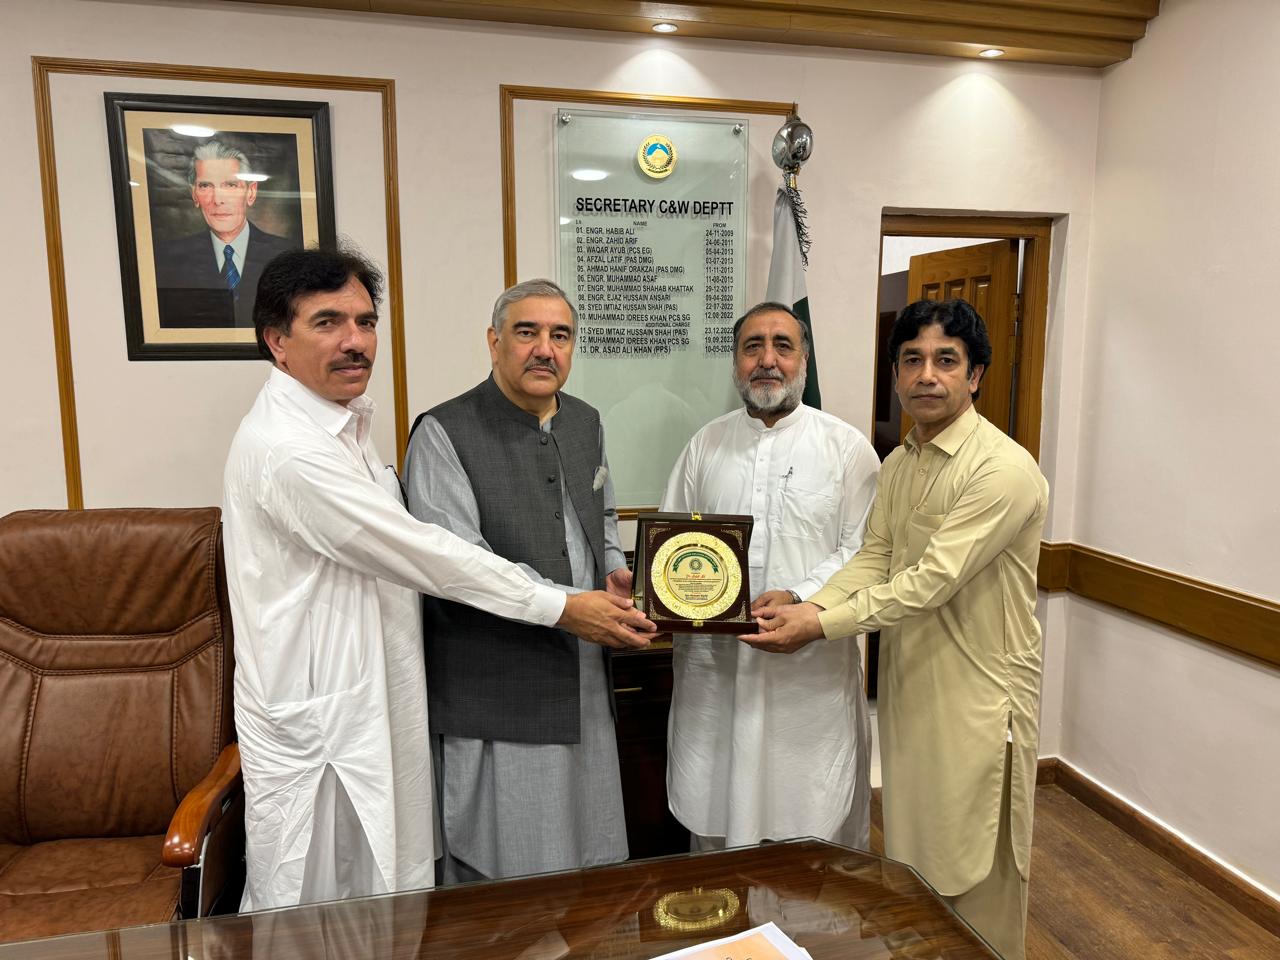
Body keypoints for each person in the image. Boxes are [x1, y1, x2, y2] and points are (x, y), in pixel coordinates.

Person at [222, 251, 653, 912]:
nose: (354, 340)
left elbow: (596, 523)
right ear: (277, 342)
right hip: (330, 724)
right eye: (327, 322)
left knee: (382, 907)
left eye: (365, 322)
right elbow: (434, 555)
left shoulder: (345, 428)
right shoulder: (293, 450)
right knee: (313, 913)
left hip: (382, 707)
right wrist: (564, 605)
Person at [747, 298, 1048, 960]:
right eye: (912, 360)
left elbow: (928, 583)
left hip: (977, 698)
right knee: (917, 862)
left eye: (946, 361)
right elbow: (876, 558)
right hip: (914, 685)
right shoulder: (905, 459)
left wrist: (818, 623)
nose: (926, 376)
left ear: (975, 377)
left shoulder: (1002, 470)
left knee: (974, 867)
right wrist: (804, 600)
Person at [403, 279, 635, 884]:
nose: (544, 349)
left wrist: (613, 571)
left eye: (560, 335)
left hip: (582, 680)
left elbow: (603, 517)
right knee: (509, 885)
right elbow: (457, 565)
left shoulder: (586, 422)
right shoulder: (443, 432)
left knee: (588, 869)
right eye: (526, 332)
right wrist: (567, 606)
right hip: (497, 691)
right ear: (494, 342)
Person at [659, 302, 880, 850]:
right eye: (752, 346)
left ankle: (802, 938)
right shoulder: (703, 446)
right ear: (736, 362)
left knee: (808, 838)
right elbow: (672, 545)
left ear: (804, 359)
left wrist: (802, 595)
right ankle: (726, 929)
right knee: (716, 815)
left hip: (807, 677)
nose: (767, 361)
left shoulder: (848, 449)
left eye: (783, 346)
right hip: (716, 674)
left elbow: (867, 550)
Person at [155, 139, 294, 329]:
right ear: (194, 195)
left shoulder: (288, 255)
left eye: (230, 185)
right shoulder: (166, 260)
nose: (218, 199)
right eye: (205, 186)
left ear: (251, 192)